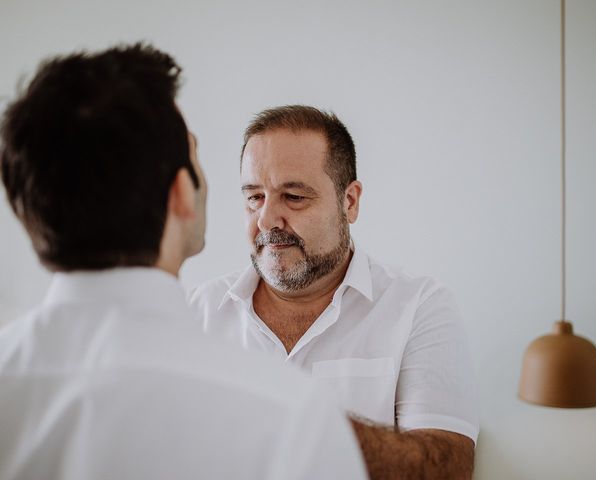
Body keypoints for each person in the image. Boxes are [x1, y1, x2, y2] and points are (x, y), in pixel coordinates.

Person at [0, 47, 366, 480]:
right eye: (195, 158)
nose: (266, 216)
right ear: (180, 194)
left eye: (294, 196)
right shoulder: (293, 418)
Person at [189, 105, 480, 479]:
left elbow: (449, 468)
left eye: (293, 197)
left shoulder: (419, 307)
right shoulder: (196, 312)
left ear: (350, 202)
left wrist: (287, 421)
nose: (265, 220)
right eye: (254, 197)